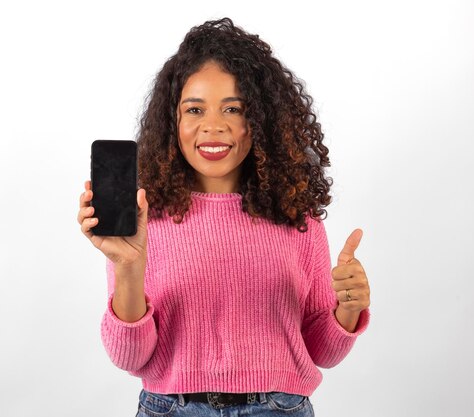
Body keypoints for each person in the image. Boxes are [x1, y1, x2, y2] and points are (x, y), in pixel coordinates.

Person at [77, 17, 370, 417]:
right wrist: (129, 267)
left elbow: (322, 351)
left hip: (277, 409)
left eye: (233, 108)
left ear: (259, 122)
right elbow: (131, 359)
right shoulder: (144, 219)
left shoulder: (295, 218)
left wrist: (347, 309)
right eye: (194, 109)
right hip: (169, 409)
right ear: (173, 122)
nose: (212, 127)